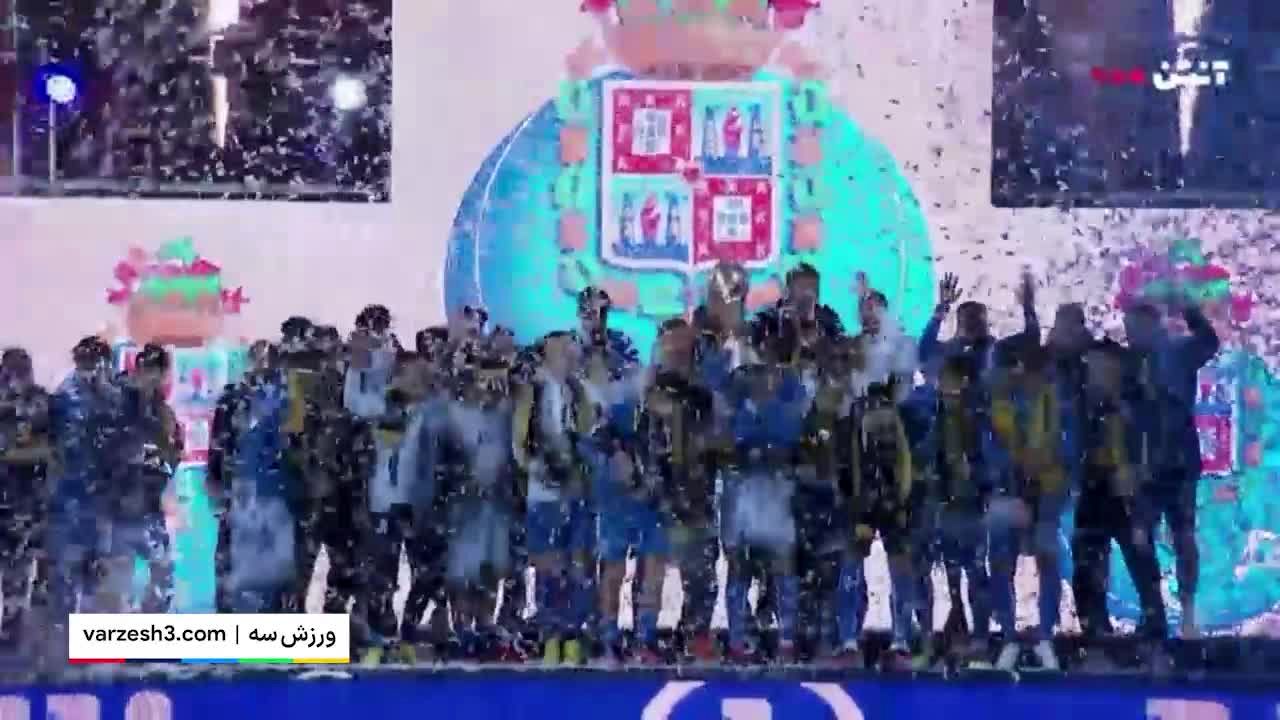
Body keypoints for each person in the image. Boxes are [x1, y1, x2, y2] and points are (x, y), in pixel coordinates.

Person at [1123, 297, 1220, 637]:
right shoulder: (1129, 362)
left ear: (1152, 325)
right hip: (1145, 465)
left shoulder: (1177, 351)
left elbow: (1209, 342)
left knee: (1182, 536)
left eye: (1134, 329)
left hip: (1177, 462)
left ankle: (1187, 612)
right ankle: (1154, 611)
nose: (1130, 336)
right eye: (1127, 330)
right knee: (1139, 536)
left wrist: (1190, 310)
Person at [1072, 340, 1168, 669]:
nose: (1095, 373)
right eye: (1092, 367)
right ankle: (1095, 633)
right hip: (1093, 488)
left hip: (1130, 493)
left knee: (1141, 557)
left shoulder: (1139, 404)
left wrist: (1140, 481)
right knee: (1087, 560)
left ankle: (1154, 633)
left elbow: (1153, 449)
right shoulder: (1081, 403)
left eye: (1102, 367)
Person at [720, 316, 810, 663]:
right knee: (739, 565)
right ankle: (738, 641)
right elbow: (722, 433)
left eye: (774, 344)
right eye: (763, 344)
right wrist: (742, 450)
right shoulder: (737, 383)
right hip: (740, 488)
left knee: (783, 563)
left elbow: (799, 434)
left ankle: (786, 640)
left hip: (778, 490)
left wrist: (775, 451)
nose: (767, 350)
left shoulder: (793, 386)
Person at [512, 331, 596, 665]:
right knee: (549, 566)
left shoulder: (579, 389)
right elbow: (519, 441)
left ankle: (572, 633)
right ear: (547, 352)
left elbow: (591, 432)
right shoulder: (532, 389)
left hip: (577, 492)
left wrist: (580, 466)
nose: (568, 353)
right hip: (544, 494)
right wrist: (538, 468)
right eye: (560, 348)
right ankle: (550, 635)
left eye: (570, 347)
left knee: (578, 564)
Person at [639, 319, 718, 663]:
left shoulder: (703, 391)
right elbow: (640, 440)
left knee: (701, 572)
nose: (676, 349)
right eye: (670, 343)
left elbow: (714, 438)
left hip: (697, 493)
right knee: (652, 570)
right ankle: (645, 637)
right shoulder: (648, 390)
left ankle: (695, 634)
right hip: (658, 492)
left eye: (682, 343)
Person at [989, 335, 1064, 671]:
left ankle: (1045, 637)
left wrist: (1047, 468)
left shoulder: (1056, 403)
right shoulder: (1000, 404)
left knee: (1048, 556)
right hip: (1009, 491)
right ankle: (1008, 638)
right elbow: (989, 448)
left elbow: (1070, 446)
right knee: (1000, 559)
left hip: (1047, 493)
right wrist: (1009, 474)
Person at [359, 352, 436, 664]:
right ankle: (381, 638)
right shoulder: (379, 407)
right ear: (400, 376)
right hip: (382, 504)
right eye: (416, 374)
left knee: (429, 573)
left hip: (419, 505)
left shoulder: (431, 413)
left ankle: (409, 630)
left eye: (425, 375)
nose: (422, 380)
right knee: (382, 576)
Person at [96, 344, 181, 613]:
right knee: (117, 585)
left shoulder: (158, 410)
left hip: (144, 507)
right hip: (120, 507)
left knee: (160, 577)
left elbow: (171, 455)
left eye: (157, 372)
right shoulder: (120, 404)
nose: (153, 378)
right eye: (149, 371)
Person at [440, 357, 515, 660]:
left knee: (490, 566)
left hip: (496, 502)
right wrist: (461, 484)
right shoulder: (452, 415)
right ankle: (461, 626)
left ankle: (485, 623)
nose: (486, 388)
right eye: (479, 382)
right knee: (462, 568)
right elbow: (442, 456)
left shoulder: (505, 414)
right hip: (462, 503)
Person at [47, 337, 119, 627]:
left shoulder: (115, 397)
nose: (92, 369)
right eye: (85, 363)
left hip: (103, 501)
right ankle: (62, 638)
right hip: (70, 500)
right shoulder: (64, 398)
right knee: (66, 574)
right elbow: (53, 449)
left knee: (101, 577)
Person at [0, 348, 51, 645]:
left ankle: (16, 629)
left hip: (29, 502)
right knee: (15, 569)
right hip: (16, 500)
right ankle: (13, 627)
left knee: (22, 568)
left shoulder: (41, 403)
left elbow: (53, 449)